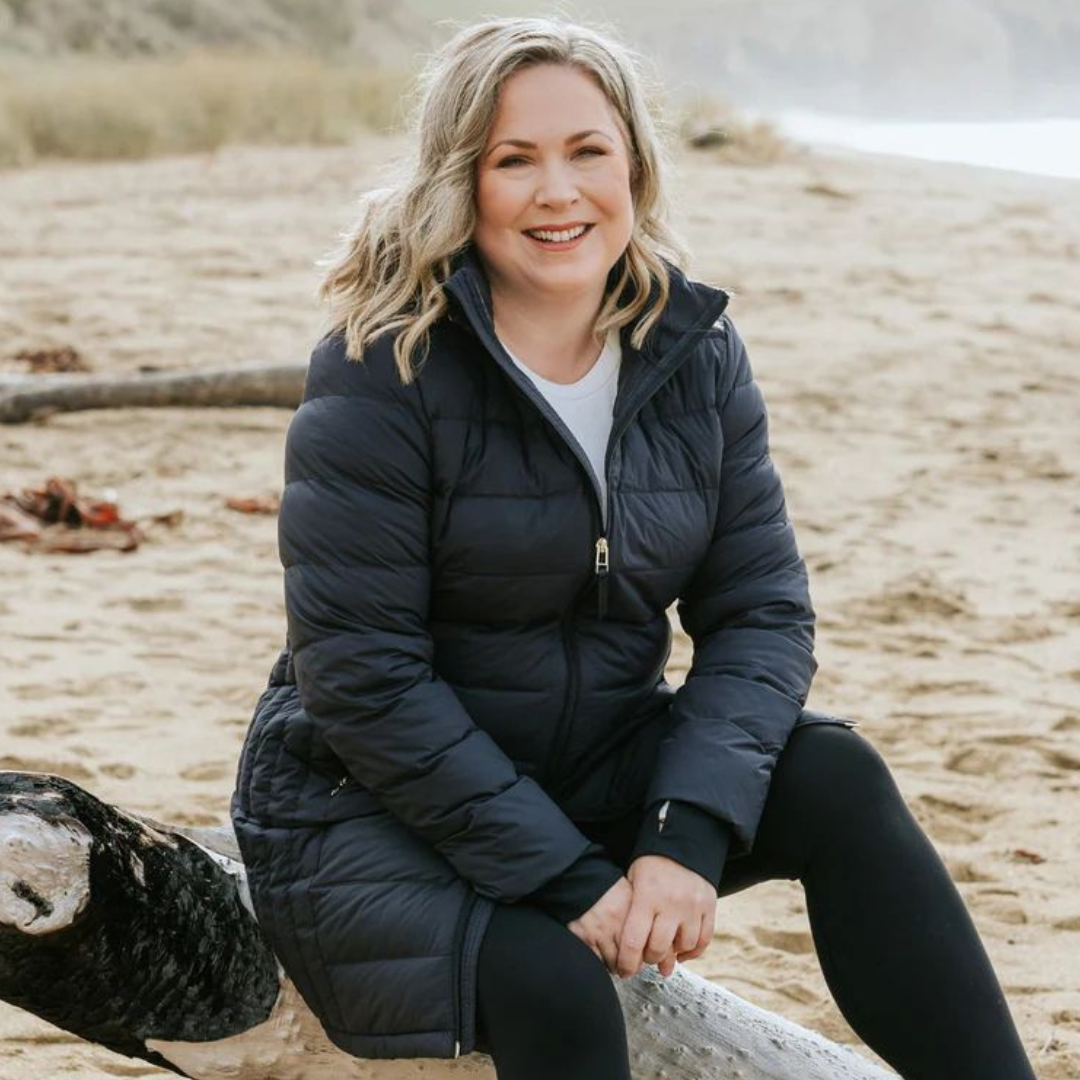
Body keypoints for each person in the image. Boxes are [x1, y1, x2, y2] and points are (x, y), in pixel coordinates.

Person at [230, 15, 1039, 1080]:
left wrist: (681, 833)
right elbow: (362, 677)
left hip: (590, 763)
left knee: (835, 774)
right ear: (460, 182)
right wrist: (573, 882)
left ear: (636, 166)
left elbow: (759, 612)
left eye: (587, 152)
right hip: (375, 807)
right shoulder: (384, 365)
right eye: (513, 160)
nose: (557, 192)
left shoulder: (690, 351)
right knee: (561, 983)